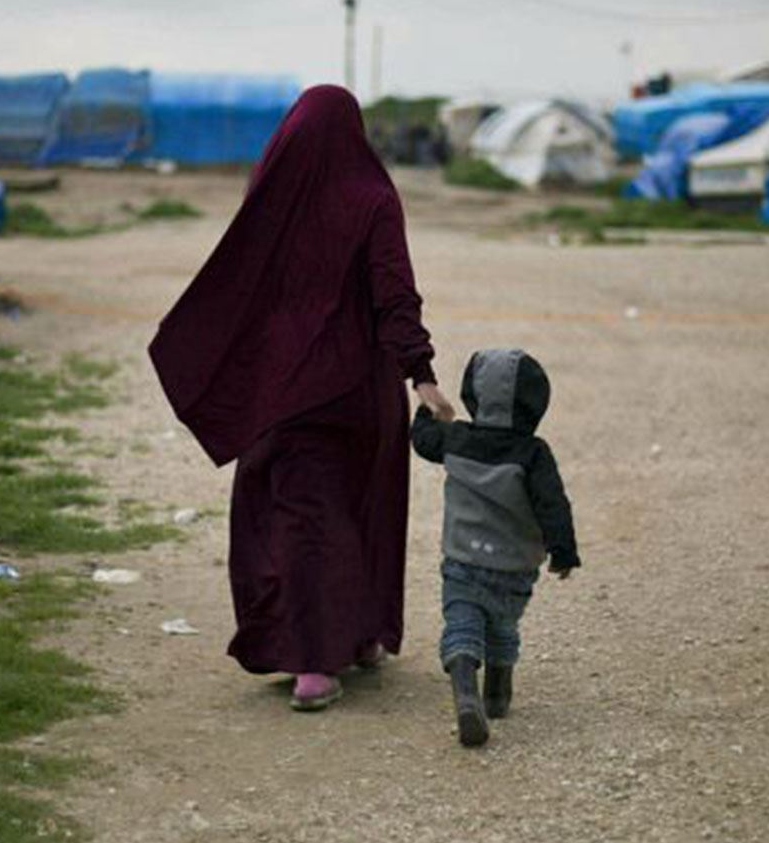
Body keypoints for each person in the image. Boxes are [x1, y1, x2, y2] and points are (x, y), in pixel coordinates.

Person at [149, 85, 455, 712]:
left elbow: (234, 286)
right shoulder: (373, 196)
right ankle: (359, 637)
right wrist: (420, 374)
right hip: (359, 392)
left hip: (281, 390)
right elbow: (394, 290)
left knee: (296, 520)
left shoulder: (272, 196)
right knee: (360, 508)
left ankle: (313, 662)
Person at [410, 348, 580, 747]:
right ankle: (498, 693)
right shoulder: (534, 454)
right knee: (503, 626)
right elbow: (553, 504)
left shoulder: (456, 439)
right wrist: (564, 552)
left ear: (473, 396)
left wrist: (428, 410)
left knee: (463, 623)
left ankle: (465, 688)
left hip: (463, 560)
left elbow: (422, 440)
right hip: (514, 568)